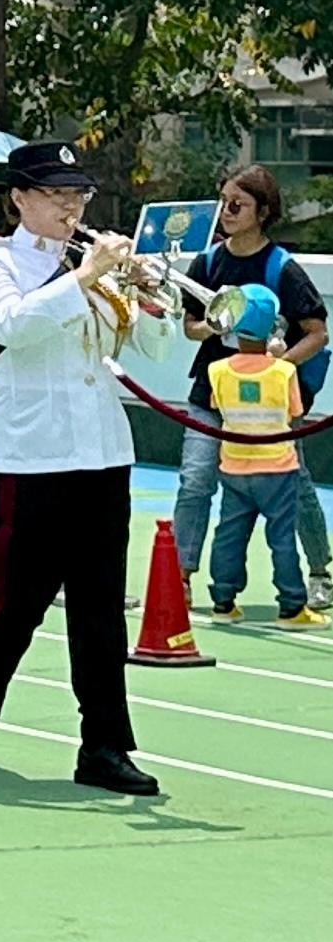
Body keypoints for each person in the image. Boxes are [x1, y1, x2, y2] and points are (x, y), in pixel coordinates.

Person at [0, 139, 160, 797]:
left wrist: (149, 297)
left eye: (77, 195)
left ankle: (104, 744)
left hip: (101, 448)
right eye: (55, 194)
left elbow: (149, 347)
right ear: (19, 198)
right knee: (18, 599)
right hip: (34, 452)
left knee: (100, 607)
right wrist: (85, 276)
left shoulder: (93, 264)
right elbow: (11, 325)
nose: (70, 207)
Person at [174, 164, 328, 606]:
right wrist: (212, 325)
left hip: (269, 405)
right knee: (195, 479)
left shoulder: (283, 268)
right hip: (213, 393)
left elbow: (317, 332)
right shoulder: (206, 262)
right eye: (223, 202)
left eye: (238, 205)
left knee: (295, 483)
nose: (227, 212)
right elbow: (189, 325)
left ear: (263, 212)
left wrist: (277, 367)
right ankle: (181, 576)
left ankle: (320, 571)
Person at [201, 286, 324, 627]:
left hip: (234, 466)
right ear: (272, 328)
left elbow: (215, 405)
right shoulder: (283, 372)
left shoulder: (217, 370)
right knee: (281, 536)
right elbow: (295, 411)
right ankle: (291, 607)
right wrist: (276, 359)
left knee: (229, 534)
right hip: (277, 468)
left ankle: (223, 602)